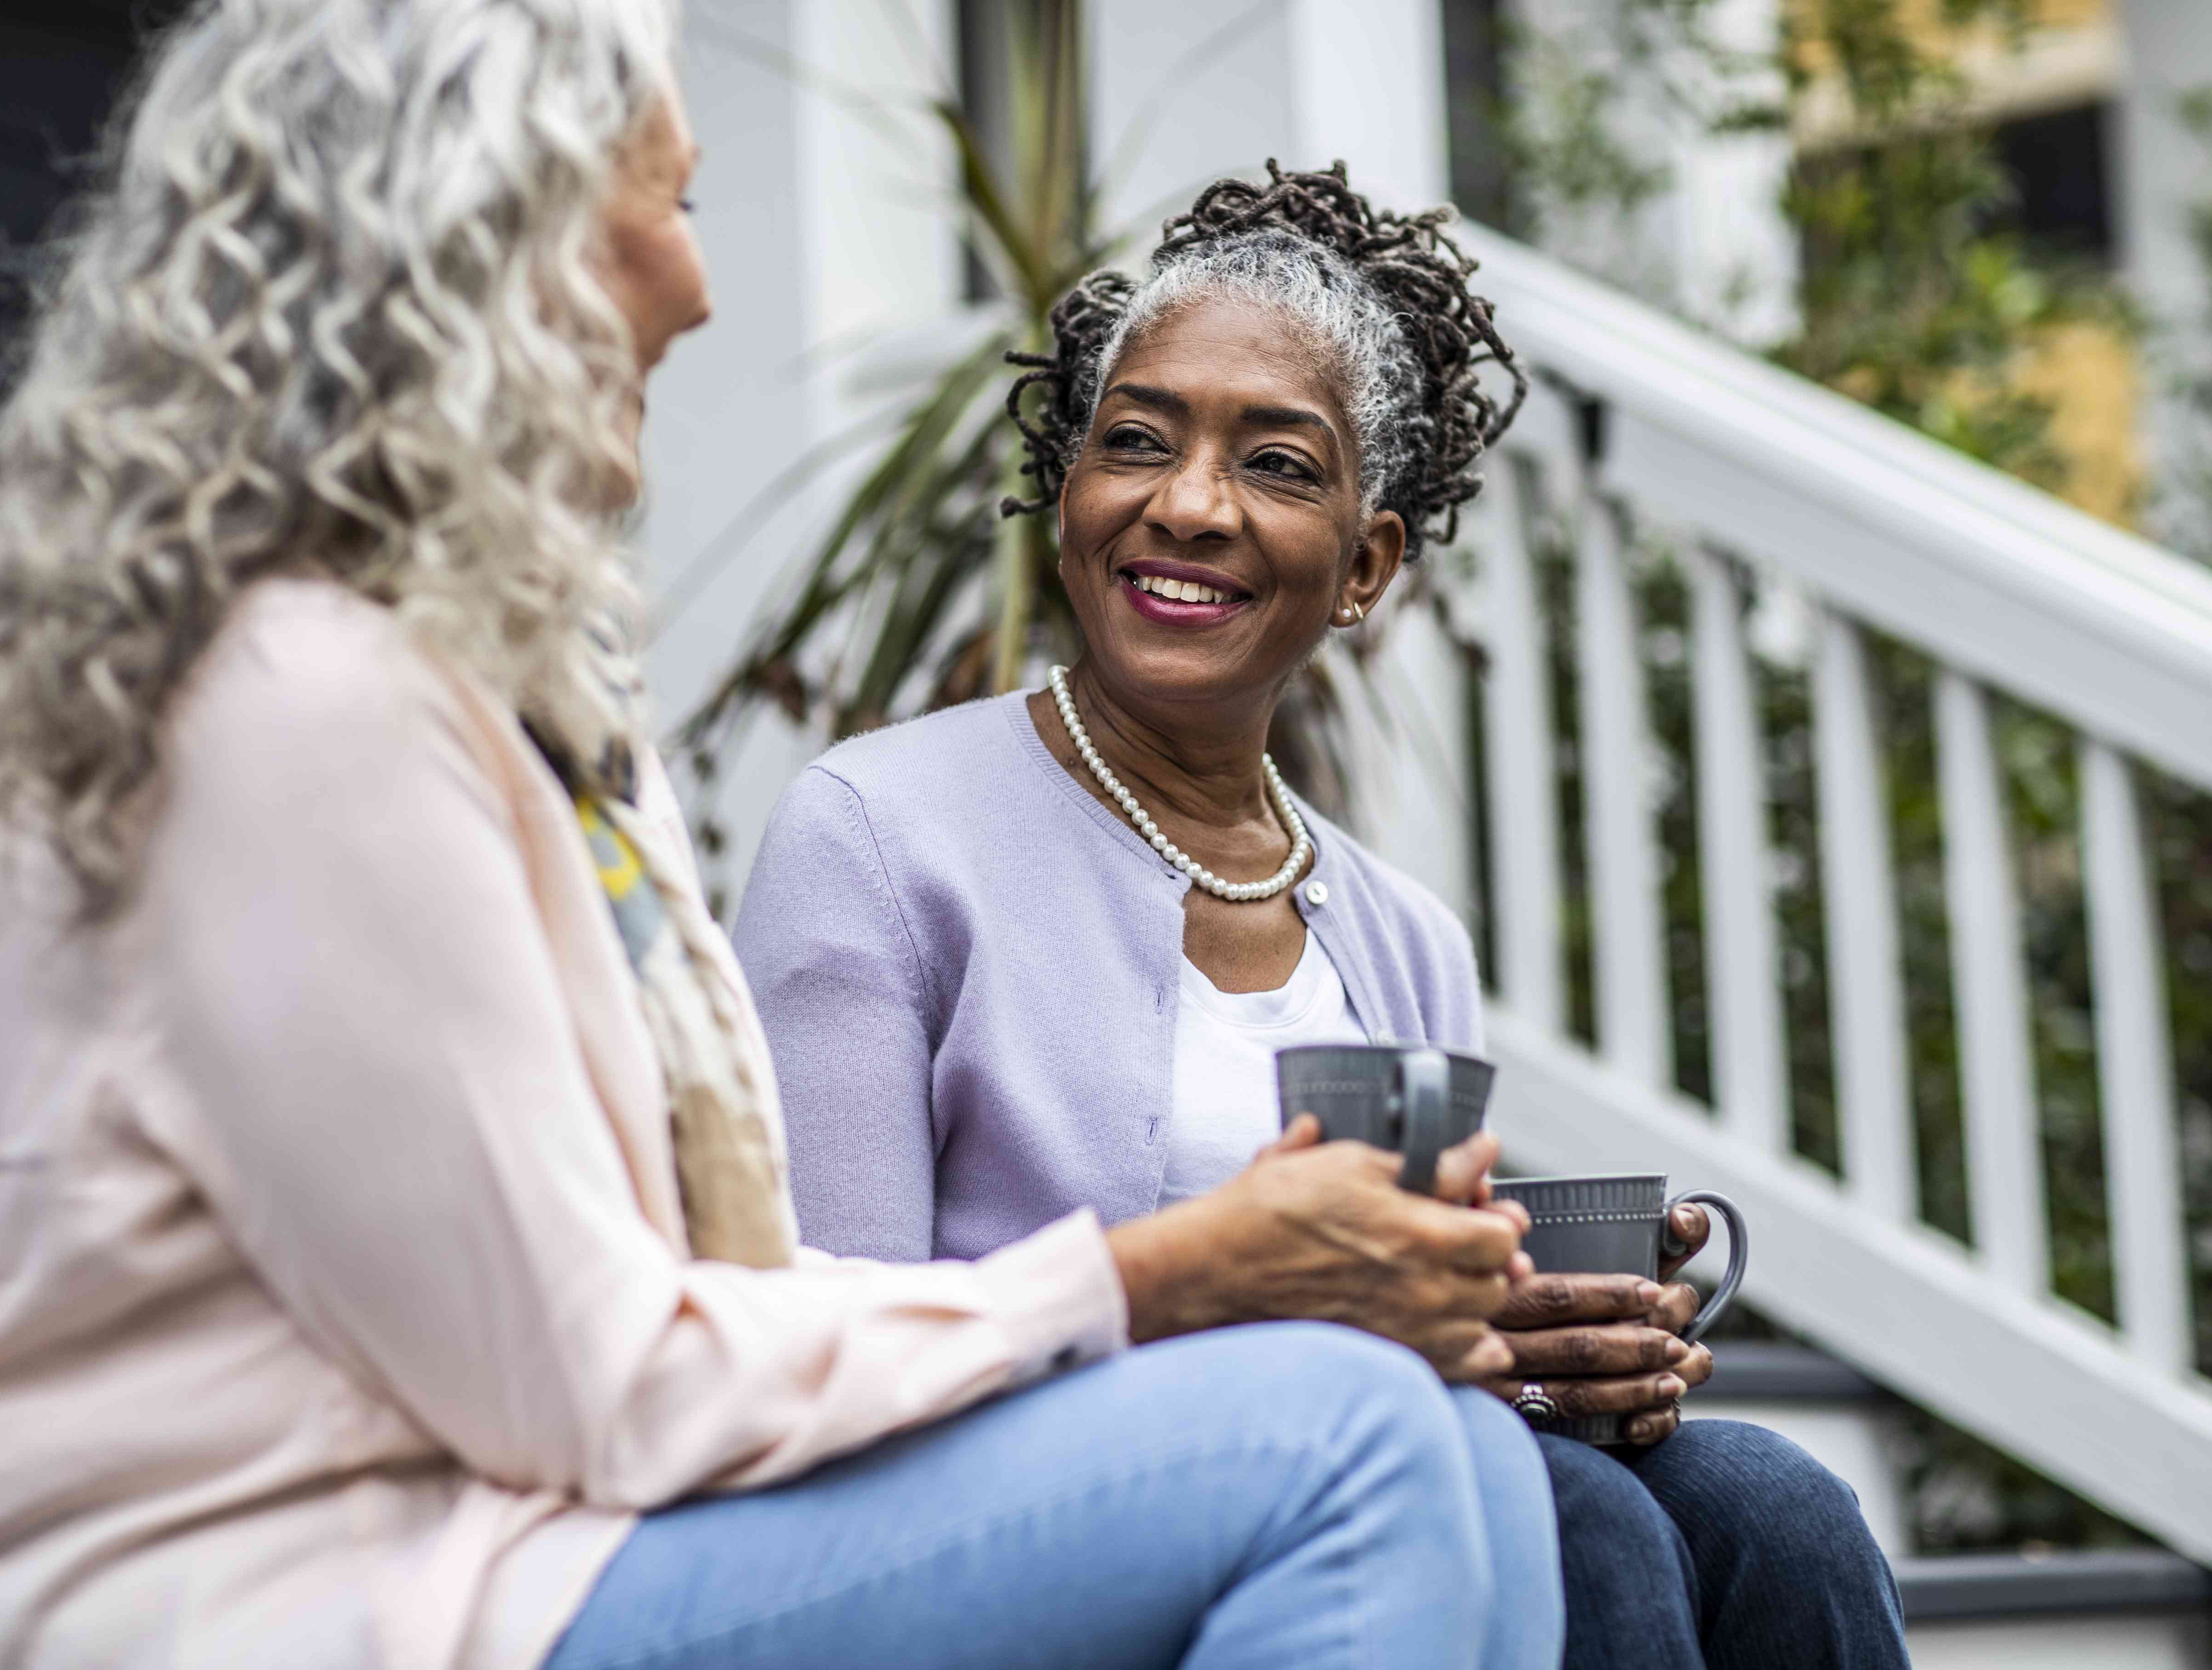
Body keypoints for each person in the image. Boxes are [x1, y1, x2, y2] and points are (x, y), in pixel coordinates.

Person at [0, 8, 1566, 1668]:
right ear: (489, 236)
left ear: (1372, 561)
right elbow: (596, 1385)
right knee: (1351, 1441)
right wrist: (1164, 1276)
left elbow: (668, 1316)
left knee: (1482, 1453)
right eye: (668, 203)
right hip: (278, 1595)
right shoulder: (297, 705)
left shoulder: (499, 691)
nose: (697, 282)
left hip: (521, 1539)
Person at [735, 162, 1912, 1670]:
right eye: (1136, 442)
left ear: (1367, 564)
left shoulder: (1402, 935)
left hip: (1365, 1472)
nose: (1188, 504)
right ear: (1070, 495)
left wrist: (1532, 1346)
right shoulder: (880, 836)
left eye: (1278, 466)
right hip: (1010, 1521)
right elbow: (833, 1350)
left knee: (1773, 1503)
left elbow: (1406, 1349)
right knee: (1576, 1523)